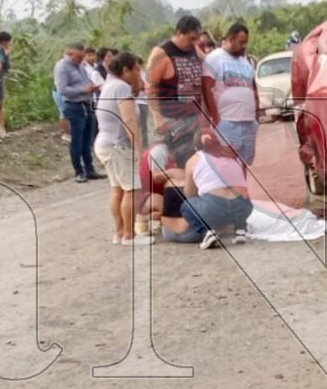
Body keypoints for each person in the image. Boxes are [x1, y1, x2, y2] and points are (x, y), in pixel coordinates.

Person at [164, 130, 253, 250]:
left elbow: (190, 194)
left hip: (215, 206)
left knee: (187, 206)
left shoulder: (194, 159)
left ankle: (207, 232)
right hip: (243, 206)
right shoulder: (232, 156)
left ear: (196, 146)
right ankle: (240, 229)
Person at [95, 52, 147, 245]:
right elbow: (129, 120)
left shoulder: (109, 85)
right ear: (126, 70)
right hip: (118, 146)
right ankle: (129, 235)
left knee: (117, 189)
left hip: (105, 142)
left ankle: (119, 233)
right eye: (136, 70)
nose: (138, 74)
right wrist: (138, 148)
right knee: (131, 190)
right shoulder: (122, 88)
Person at [147, 15, 212, 166]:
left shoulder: (194, 50)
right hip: (173, 120)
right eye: (191, 38)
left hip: (194, 118)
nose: (195, 43)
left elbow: (210, 66)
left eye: (197, 39)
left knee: (199, 160)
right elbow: (150, 88)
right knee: (184, 160)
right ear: (179, 33)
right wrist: (158, 119)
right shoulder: (162, 52)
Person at [203, 22, 260, 166]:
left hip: (248, 123)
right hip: (227, 123)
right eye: (241, 42)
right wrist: (214, 115)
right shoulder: (214, 58)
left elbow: (253, 87)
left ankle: (241, 189)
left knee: (244, 164)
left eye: (246, 43)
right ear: (231, 39)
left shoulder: (245, 61)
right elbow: (206, 88)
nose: (244, 46)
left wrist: (256, 115)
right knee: (227, 165)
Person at [55, 43, 100, 181]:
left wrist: (92, 87)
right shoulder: (62, 67)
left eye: (82, 56)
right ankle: (79, 172)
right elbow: (62, 90)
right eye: (78, 56)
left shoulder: (80, 66)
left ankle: (89, 169)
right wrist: (82, 90)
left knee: (88, 139)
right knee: (77, 140)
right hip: (74, 106)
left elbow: (85, 81)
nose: (81, 59)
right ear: (69, 54)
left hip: (86, 104)